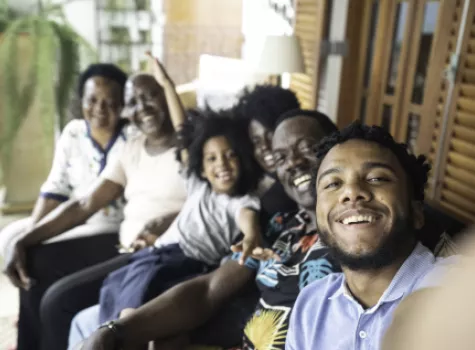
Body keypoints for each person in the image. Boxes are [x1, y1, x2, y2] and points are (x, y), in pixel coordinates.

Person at [77, 108, 339, 350]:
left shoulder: (355, 233)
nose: (293, 162)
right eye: (281, 157)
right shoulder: (277, 227)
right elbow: (207, 290)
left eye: (306, 148)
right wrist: (117, 330)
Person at [3, 72, 188, 350]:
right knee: (36, 260)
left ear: (167, 97)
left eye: (151, 96)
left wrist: (163, 224)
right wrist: (25, 239)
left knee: (57, 302)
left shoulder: (190, 149)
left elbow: (202, 201)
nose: (143, 108)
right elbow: (85, 204)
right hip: (124, 246)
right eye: (134, 102)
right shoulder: (132, 147)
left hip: (156, 252)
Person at [69, 110, 265, 349]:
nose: (221, 163)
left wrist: (252, 236)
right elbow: (183, 132)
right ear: (201, 169)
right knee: (115, 284)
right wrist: (167, 84)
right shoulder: (198, 187)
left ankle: (127, 337)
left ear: (242, 160)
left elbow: (247, 218)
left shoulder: (242, 201)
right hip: (159, 252)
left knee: (140, 285)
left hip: (187, 259)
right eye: (211, 158)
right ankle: (119, 333)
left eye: (230, 155)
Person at [285, 122, 458, 350]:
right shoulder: (311, 304)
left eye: (377, 178)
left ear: (416, 213)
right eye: (333, 183)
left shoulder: (458, 294)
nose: (351, 192)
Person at [0, 63, 128, 259]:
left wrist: (33, 238)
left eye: (109, 102)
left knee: (39, 251)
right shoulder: (73, 133)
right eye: (91, 100)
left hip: (106, 225)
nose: (99, 109)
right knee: (8, 238)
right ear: (81, 101)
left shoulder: (131, 139)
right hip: (70, 216)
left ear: (122, 105)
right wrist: (33, 229)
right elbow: (55, 190)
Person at [234, 85, 300, 219]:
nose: (264, 146)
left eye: (271, 136)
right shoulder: (261, 186)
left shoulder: (285, 194)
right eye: (256, 141)